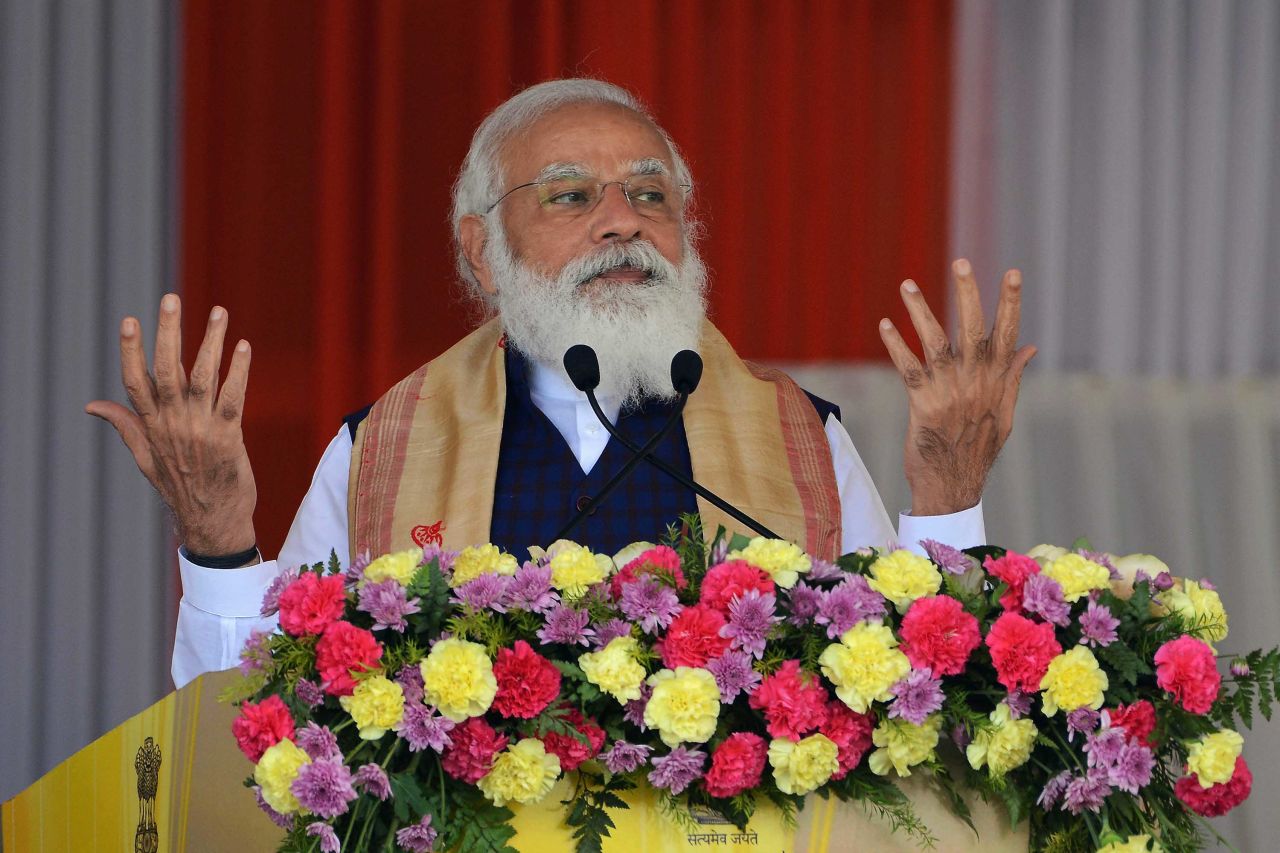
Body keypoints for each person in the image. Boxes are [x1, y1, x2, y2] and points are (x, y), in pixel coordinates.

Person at [86, 79, 1035, 689]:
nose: (622, 222)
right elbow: (252, 726)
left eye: (651, 193)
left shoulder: (797, 437)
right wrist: (217, 545)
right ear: (482, 250)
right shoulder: (384, 445)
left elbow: (924, 701)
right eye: (572, 195)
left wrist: (950, 501)